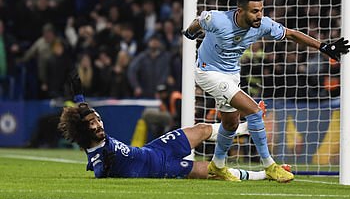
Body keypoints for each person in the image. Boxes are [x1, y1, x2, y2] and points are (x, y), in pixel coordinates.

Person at [182, 0, 350, 182]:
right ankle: (270, 165)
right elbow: (199, 21)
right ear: (240, 11)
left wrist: (323, 47)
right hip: (207, 71)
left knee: (230, 122)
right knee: (254, 111)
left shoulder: (263, 25)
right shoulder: (218, 20)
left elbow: (292, 34)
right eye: (254, 11)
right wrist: (190, 33)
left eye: (261, 10)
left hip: (231, 75)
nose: (259, 15)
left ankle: (217, 165)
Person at [58, 71, 284, 181]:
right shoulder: (98, 155)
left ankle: (246, 128)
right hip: (161, 169)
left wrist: (79, 96)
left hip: (156, 149)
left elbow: (84, 116)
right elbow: (98, 170)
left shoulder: (95, 134)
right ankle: (264, 175)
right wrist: (104, 172)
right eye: (93, 124)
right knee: (215, 171)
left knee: (202, 129)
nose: (98, 124)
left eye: (97, 119)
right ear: (82, 131)